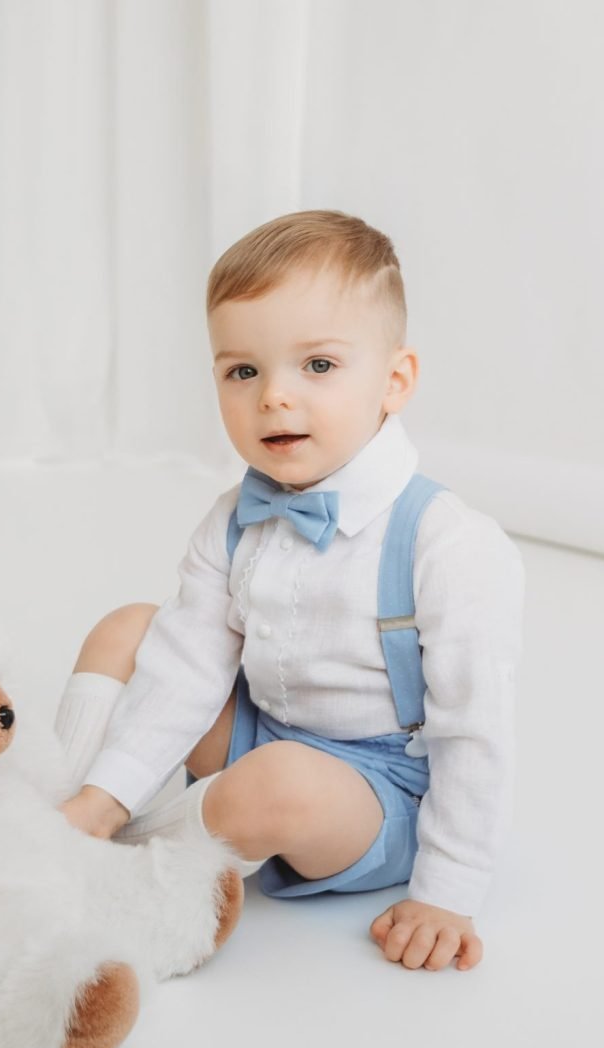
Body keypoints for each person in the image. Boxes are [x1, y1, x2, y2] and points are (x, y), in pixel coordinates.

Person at [54, 210, 524, 973]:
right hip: (265, 731)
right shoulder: (234, 519)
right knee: (131, 628)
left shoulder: (450, 541)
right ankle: (67, 813)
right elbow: (186, 669)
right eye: (243, 370)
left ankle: (127, 874)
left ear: (394, 379)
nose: (274, 396)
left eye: (318, 366)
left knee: (277, 785)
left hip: (379, 790)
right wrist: (105, 793)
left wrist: (450, 889)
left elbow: (473, 731)